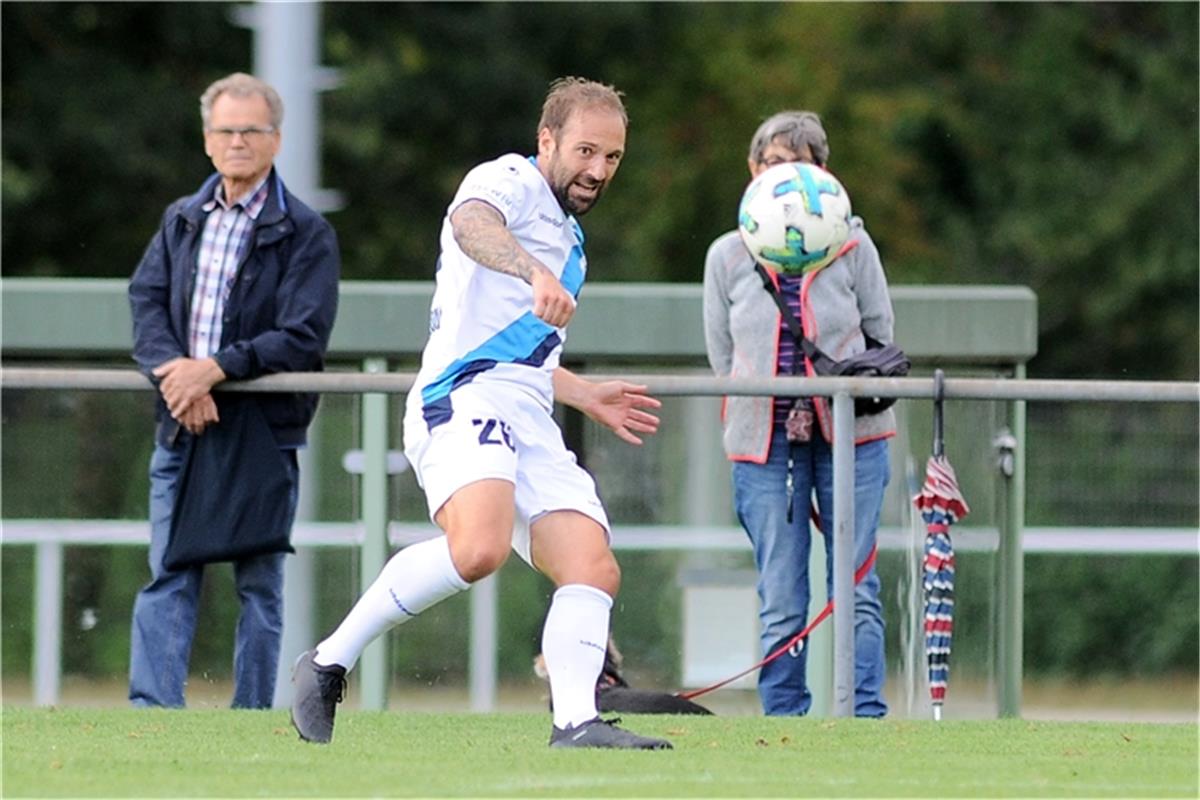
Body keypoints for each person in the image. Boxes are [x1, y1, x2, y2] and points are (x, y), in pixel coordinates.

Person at [290, 77, 671, 750]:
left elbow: (516, 348)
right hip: (460, 397)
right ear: (546, 139)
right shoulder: (509, 182)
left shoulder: (572, 240)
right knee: (479, 548)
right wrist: (533, 273)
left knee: (592, 565)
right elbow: (471, 226)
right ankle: (325, 664)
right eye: (585, 151)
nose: (597, 170)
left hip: (527, 412)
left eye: (612, 157)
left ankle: (576, 722)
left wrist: (578, 391)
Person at [127, 72, 340, 708]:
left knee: (259, 583)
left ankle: (250, 715)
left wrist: (213, 368)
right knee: (169, 572)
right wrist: (177, 376)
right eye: (226, 130)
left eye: (252, 130)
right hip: (181, 423)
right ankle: (152, 714)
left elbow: (302, 335)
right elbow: (146, 303)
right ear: (207, 139)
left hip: (262, 432)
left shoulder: (306, 232)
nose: (238, 141)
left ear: (275, 139)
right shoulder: (180, 220)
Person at [702, 110, 895, 718]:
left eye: (803, 164)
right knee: (782, 590)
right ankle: (784, 716)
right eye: (776, 163)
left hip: (851, 437)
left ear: (825, 173)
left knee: (855, 585)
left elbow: (879, 334)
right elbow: (723, 354)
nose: (789, 178)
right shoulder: (727, 257)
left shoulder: (854, 247)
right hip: (766, 445)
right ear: (755, 171)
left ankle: (863, 714)